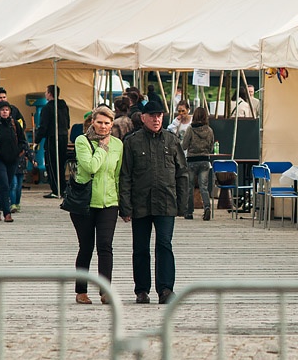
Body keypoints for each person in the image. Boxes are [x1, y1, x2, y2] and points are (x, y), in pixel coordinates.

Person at [119, 100, 189, 304]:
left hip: (166, 202)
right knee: (140, 248)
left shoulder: (172, 140)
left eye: (159, 115)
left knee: (164, 245)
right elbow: (125, 176)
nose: (156, 119)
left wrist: (182, 205)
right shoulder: (132, 142)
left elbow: (182, 173)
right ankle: (141, 290)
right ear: (143, 118)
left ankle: (166, 289)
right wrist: (125, 206)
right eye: (152, 116)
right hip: (140, 203)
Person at [70, 105, 123, 305]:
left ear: (112, 124)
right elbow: (91, 166)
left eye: (107, 123)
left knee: (105, 246)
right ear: (92, 121)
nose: (103, 126)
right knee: (86, 247)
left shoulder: (118, 144)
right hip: (84, 202)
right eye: (99, 122)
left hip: (109, 201)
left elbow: (117, 175)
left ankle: (105, 290)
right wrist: (102, 148)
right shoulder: (82, 141)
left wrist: (121, 202)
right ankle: (81, 290)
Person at [0, 88, 27, 213]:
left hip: (12, 156)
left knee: (7, 184)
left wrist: (19, 150)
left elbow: (22, 128)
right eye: (0, 98)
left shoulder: (15, 112)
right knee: (4, 184)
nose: (3, 100)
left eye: (4, 97)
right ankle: (6, 213)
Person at [35, 84, 70, 198]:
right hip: (63, 136)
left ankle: (56, 190)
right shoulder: (64, 106)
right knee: (61, 163)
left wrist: (37, 140)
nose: (45, 94)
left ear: (49, 94)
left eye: (46, 92)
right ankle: (63, 188)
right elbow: (68, 122)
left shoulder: (48, 108)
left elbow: (43, 126)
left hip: (52, 137)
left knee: (52, 164)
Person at [182, 107, 215, 221]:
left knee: (190, 187)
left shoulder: (190, 129)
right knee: (203, 187)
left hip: (192, 160)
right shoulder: (210, 130)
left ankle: (189, 212)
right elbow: (211, 147)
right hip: (205, 160)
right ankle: (207, 207)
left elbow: (184, 145)